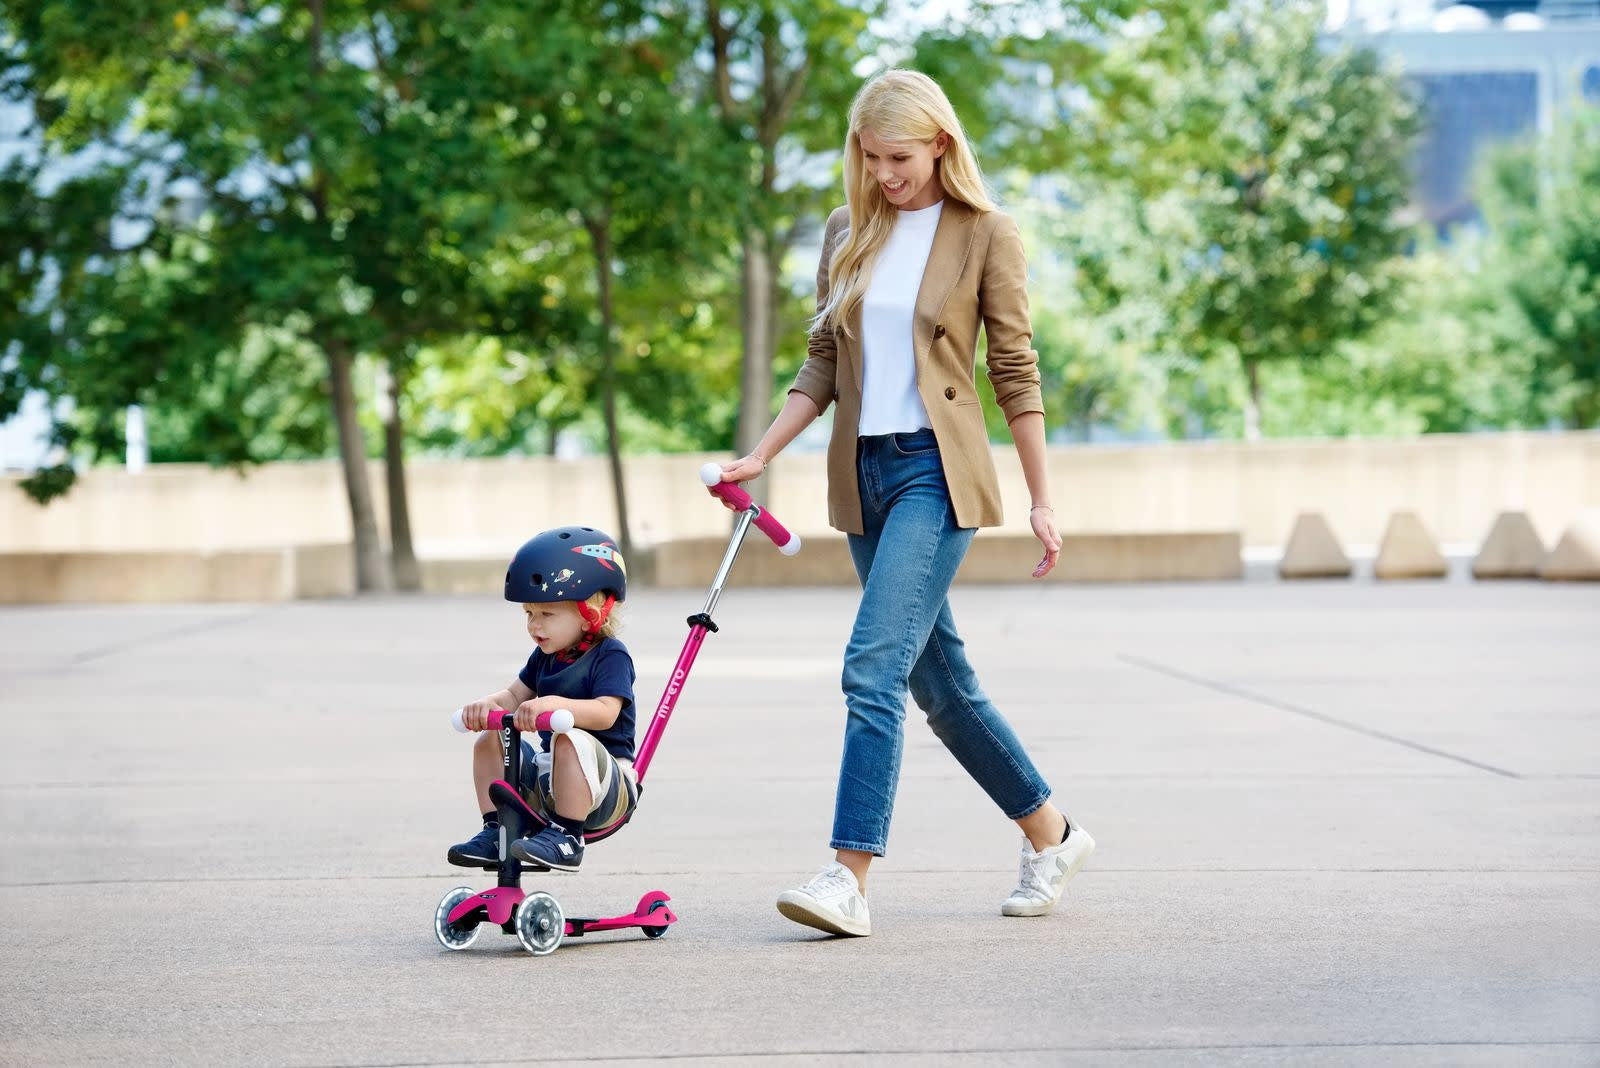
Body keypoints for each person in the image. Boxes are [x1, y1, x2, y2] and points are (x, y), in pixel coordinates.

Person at [714, 69, 1093, 937]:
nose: (886, 174)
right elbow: (821, 362)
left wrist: (1041, 499)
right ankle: (1053, 835)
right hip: (864, 478)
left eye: (901, 157)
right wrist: (762, 454)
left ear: (940, 145)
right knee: (942, 687)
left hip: (936, 474)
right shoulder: (847, 230)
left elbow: (1015, 372)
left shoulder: (986, 233)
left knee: (872, 665)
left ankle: (848, 877)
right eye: (871, 156)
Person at [447, 526, 638, 873]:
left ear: (591, 612)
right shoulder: (546, 657)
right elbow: (513, 696)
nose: (535, 625)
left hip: (606, 789)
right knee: (490, 739)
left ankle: (567, 838)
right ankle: (497, 830)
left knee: (568, 739)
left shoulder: (611, 655)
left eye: (547, 614)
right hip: (552, 782)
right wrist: (486, 706)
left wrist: (553, 704)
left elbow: (606, 713)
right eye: (529, 614)